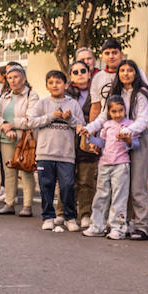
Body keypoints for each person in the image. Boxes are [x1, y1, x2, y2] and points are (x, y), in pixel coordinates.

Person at [27, 69, 84, 233]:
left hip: (66, 154)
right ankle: (48, 217)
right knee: (46, 186)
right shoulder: (43, 103)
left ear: (66, 85)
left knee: (67, 186)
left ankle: (69, 217)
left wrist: (70, 118)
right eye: (51, 82)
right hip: (45, 153)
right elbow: (31, 122)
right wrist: (51, 116)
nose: (55, 85)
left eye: (58, 82)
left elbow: (81, 126)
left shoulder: (72, 104)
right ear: (46, 86)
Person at [80, 93, 133, 239]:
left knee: (119, 197)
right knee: (101, 196)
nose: (117, 114)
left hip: (121, 165)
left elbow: (135, 144)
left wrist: (128, 140)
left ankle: (118, 228)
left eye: (120, 110)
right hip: (104, 164)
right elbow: (102, 143)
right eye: (114, 111)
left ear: (125, 110)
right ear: (108, 112)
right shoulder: (106, 125)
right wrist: (90, 138)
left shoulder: (129, 125)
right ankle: (97, 226)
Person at [114, 59, 148, 240]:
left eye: (129, 70)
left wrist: (127, 131)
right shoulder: (116, 92)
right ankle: (123, 223)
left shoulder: (142, 93)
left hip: (138, 139)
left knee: (137, 185)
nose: (125, 74)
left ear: (136, 73)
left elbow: (142, 120)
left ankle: (141, 225)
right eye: (122, 70)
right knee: (121, 184)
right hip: (118, 139)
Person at [0, 64, 40, 217]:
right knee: (9, 172)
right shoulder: (5, 96)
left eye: (16, 77)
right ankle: (9, 203)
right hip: (6, 139)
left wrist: (13, 125)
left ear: (24, 78)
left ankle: (27, 206)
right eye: (10, 78)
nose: (12, 80)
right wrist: (4, 126)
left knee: (26, 171)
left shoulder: (31, 95)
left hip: (24, 139)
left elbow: (30, 119)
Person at [68, 60, 98, 229]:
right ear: (71, 76)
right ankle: (65, 213)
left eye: (83, 71)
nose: (80, 75)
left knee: (86, 180)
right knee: (67, 180)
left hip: (89, 139)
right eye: (75, 72)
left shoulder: (96, 93)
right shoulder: (66, 94)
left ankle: (85, 213)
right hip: (68, 141)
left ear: (89, 73)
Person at [89, 40, 126, 120]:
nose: (111, 56)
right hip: (106, 126)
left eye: (114, 53)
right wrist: (91, 130)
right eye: (107, 53)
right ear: (102, 57)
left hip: (130, 125)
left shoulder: (132, 73)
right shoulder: (97, 77)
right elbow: (96, 107)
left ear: (122, 55)